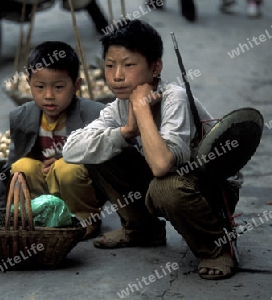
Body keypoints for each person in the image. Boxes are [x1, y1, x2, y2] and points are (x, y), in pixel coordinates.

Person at [63, 19, 240, 279]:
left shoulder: (174, 97)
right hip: (174, 181)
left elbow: (161, 165)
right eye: (110, 65)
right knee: (101, 147)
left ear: (155, 67)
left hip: (212, 188)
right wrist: (126, 131)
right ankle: (141, 229)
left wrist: (143, 113)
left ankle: (216, 248)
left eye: (128, 65)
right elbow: (71, 151)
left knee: (164, 188)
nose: (117, 75)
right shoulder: (119, 106)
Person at [0, 41, 105, 239]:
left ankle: (84, 220)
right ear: (29, 83)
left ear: (76, 86)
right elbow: (10, 162)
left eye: (58, 87)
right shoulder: (22, 116)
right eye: (39, 87)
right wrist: (2, 207)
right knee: (22, 166)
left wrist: (65, 158)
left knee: (66, 168)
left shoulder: (93, 114)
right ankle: (42, 215)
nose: (48, 96)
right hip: (43, 179)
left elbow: (105, 155)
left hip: (76, 183)